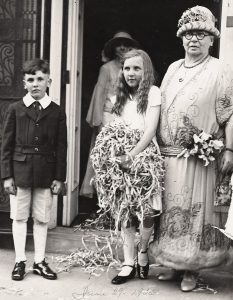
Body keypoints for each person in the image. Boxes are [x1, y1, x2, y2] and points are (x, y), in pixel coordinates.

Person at [151, 6, 233, 292]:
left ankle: (192, 270)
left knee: (196, 214)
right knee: (171, 212)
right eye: (188, 34)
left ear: (211, 40)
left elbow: (229, 114)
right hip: (170, 156)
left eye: (200, 34)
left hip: (201, 159)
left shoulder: (220, 69)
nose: (193, 40)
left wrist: (231, 149)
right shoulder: (173, 68)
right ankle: (174, 265)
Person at [1, 59, 67, 281]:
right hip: (19, 172)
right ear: (24, 83)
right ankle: (20, 260)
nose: (36, 84)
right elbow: (6, 145)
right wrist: (7, 176)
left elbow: (61, 146)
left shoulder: (56, 112)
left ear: (49, 81)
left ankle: (39, 261)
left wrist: (59, 177)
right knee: (19, 217)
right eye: (31, 80)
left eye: (40, 79)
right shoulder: (15, 109)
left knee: (41, 218)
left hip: (45, 173)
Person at [108, 49, 162, 284]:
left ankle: (143, 251)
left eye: (136, 68)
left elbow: (149, 130)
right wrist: (116, 153)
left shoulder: (152, 93)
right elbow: (113, 128)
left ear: (145, 70)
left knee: (147, 212)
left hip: (144, 155)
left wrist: (132, 154)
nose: (131, 73)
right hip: (121, 156)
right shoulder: (118, 96)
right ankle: (128, 262)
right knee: (125, 211)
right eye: (127, 68)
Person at [80, 31, 139, 198]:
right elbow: (99, 95)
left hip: (127, 118)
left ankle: (123, 198)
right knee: (107, 158)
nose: (122, 48)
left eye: (126, 45)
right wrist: (99, 123)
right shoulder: (106, 68)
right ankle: (104, 200)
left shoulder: (133, 68)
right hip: (108, 118)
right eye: (119, 45)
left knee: (126, 157)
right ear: (113, 48)